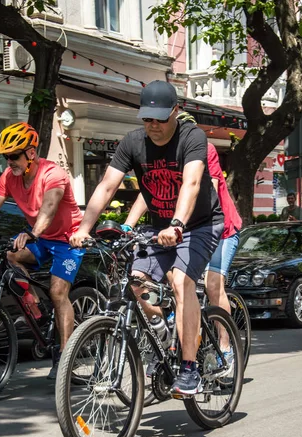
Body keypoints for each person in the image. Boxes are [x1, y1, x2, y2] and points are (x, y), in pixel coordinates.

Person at [70, 80, 224, 396]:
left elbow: (192, 184)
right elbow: (107, 186)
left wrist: (178, 223)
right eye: (147, 119)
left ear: (176, 113)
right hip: (158, 227)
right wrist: (85, 227)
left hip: (200, 224)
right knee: (136, 280)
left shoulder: (191, 136)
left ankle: (189, 369)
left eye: (160, 119)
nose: (153, 126)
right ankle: (161, 329)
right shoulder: (132, 142)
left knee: (181, 281)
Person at [124, 111, 242, 367]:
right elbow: (150, 192)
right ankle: (174, 336)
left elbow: (194, 186)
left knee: (213, 286)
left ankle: (225, 346)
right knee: (168, 278)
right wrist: (127, 225)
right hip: (182, 227)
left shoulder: (203, 150)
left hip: (219, 228)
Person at [0, 122, 85, 379]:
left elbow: (50, 207)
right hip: (42, 240)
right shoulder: (9, 178)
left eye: (13, 155)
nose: (9, 162)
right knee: (11, 256)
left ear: (30, 153)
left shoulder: (53, 174)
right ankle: (36, 311)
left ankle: (64, 359)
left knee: (58, 292)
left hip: (68, 240)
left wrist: (32, 233)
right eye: (5, 157)